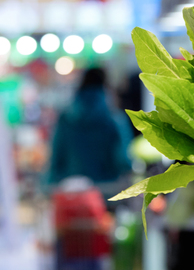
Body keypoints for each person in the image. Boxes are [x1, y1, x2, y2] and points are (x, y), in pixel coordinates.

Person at [47, 66, 133, 194]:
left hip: (72, 193)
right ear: (106, 86)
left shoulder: (65, 117)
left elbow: (55, 158)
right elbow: (123, 161)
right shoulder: (115, 119)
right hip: (106, 193)